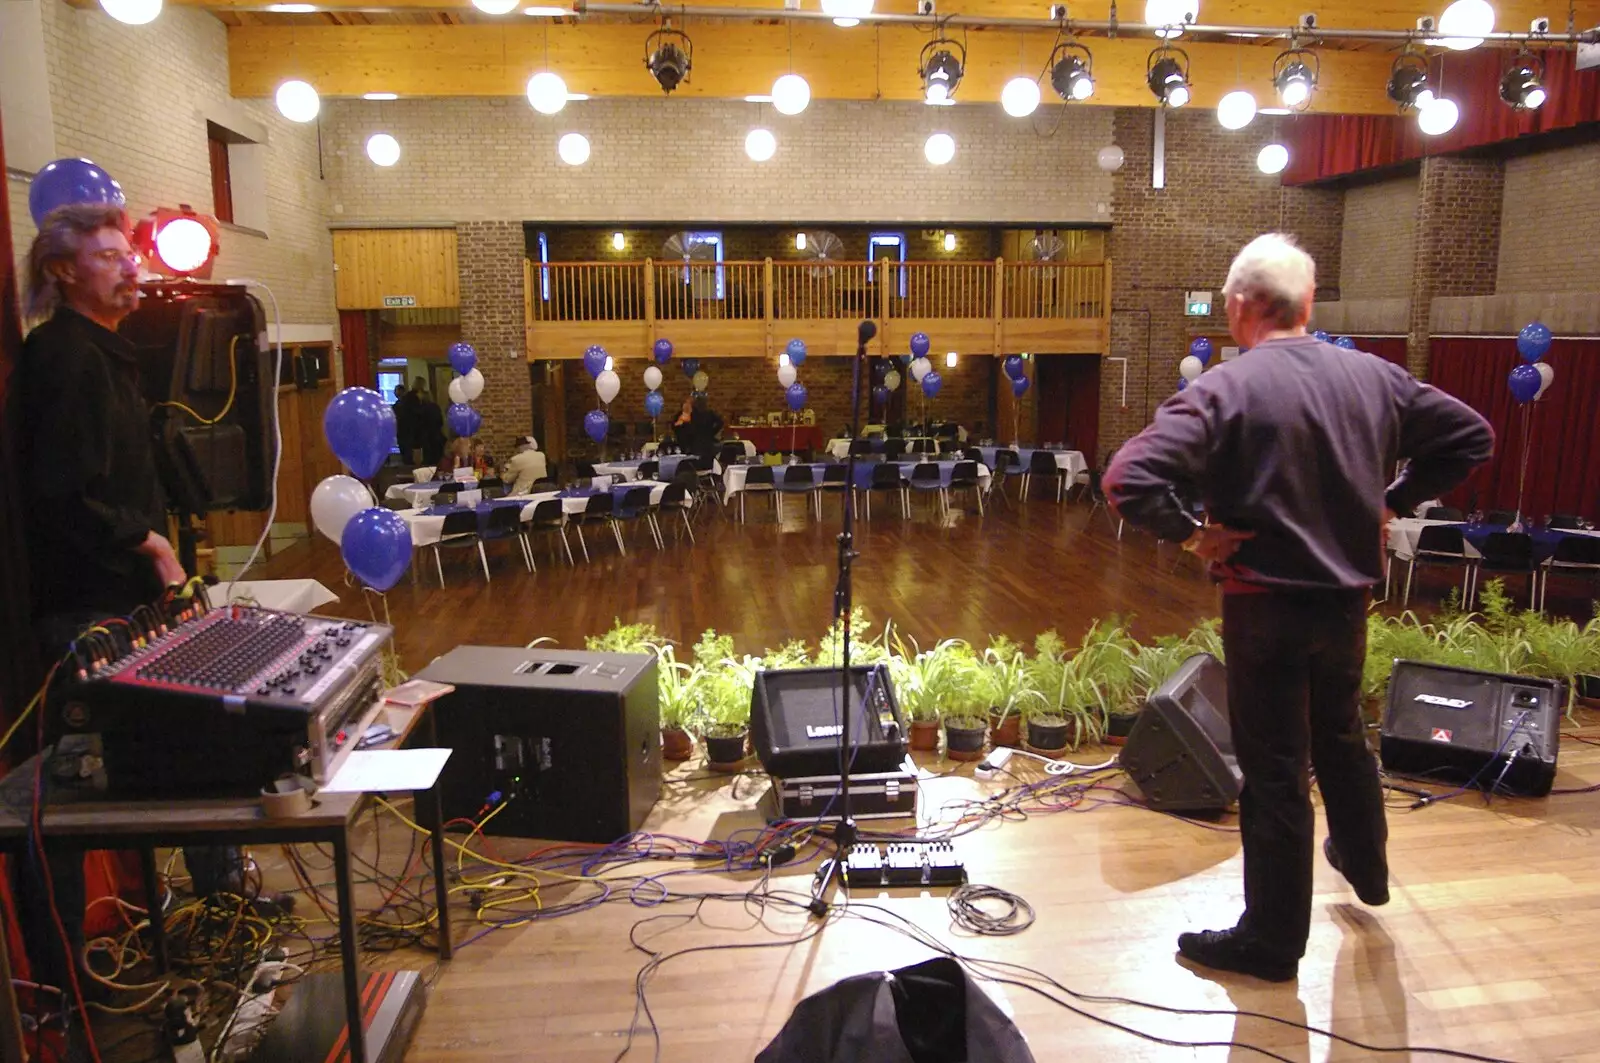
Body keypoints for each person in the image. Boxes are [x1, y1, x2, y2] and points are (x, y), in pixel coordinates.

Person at [1104, 233, 1493, 983]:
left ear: (1241, 306)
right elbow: (1470, 436)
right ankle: (1366, 864)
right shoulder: (1374, 376)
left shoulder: (1228, 388)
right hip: (1347, 604)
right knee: (1342, 733)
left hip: (1266, 609)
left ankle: (1272, 941)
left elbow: (1128, 478)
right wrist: (1393, 500)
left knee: (1276, 768)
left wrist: (1194, 536)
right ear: (1308, 304)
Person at [14, 203, 255, 995]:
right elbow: (61, 495)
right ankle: (61, 992)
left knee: (186, 757)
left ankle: (226, 920)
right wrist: (146, 543)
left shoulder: (105, 356)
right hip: (86, 612)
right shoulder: (62, 359)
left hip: (124, 603)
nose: (132, 266)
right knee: (69, 807)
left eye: (130, 253)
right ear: (62, 269)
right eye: (111, 255)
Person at [673, 395, 724, 466]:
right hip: (691, 448)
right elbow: (676, 430)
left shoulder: (699, 415)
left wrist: (712, 433)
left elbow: (677, 427)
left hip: (699, 448)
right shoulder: (680, 415)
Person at [414, 386, 445, 465]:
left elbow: (420, 423)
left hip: (427, 436)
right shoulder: (436, 407)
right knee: (437, 457)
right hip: (437, 435)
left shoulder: (422, 408)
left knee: (428, 458)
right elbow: (441, 422)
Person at [392, 380, 421, 463]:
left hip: (408, 431)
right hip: (402, 432)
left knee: (408, 453)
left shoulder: (407, 403)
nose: (395, 393)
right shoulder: (397, 404)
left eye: (397, 391)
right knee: (405, 452)